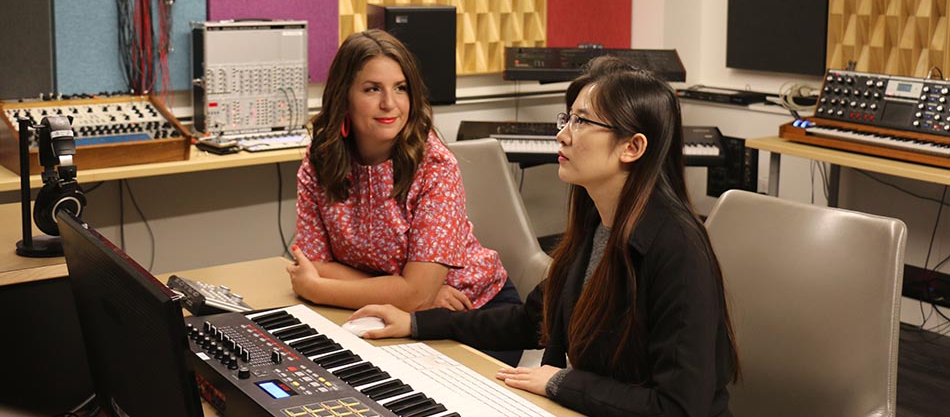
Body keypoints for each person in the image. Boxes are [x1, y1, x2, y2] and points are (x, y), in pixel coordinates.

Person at [348, 56, 740, 417]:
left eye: (582, 122)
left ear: (632, 147)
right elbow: (532, 320)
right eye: (567, 119)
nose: (563, 136)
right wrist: (416, 324)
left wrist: (559, 381)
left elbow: (679, 407)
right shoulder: (598, 225)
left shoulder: (679, 249)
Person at [286, 30, 521, 361]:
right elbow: (316, 264)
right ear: (344, 97)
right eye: (372, 89)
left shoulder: (435, 164)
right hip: (400, 309)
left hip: (473, 314)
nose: (389, 104)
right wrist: (409, 291)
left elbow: (318, 277)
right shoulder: (320, 159)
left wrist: (317, 288)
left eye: (401, 88)